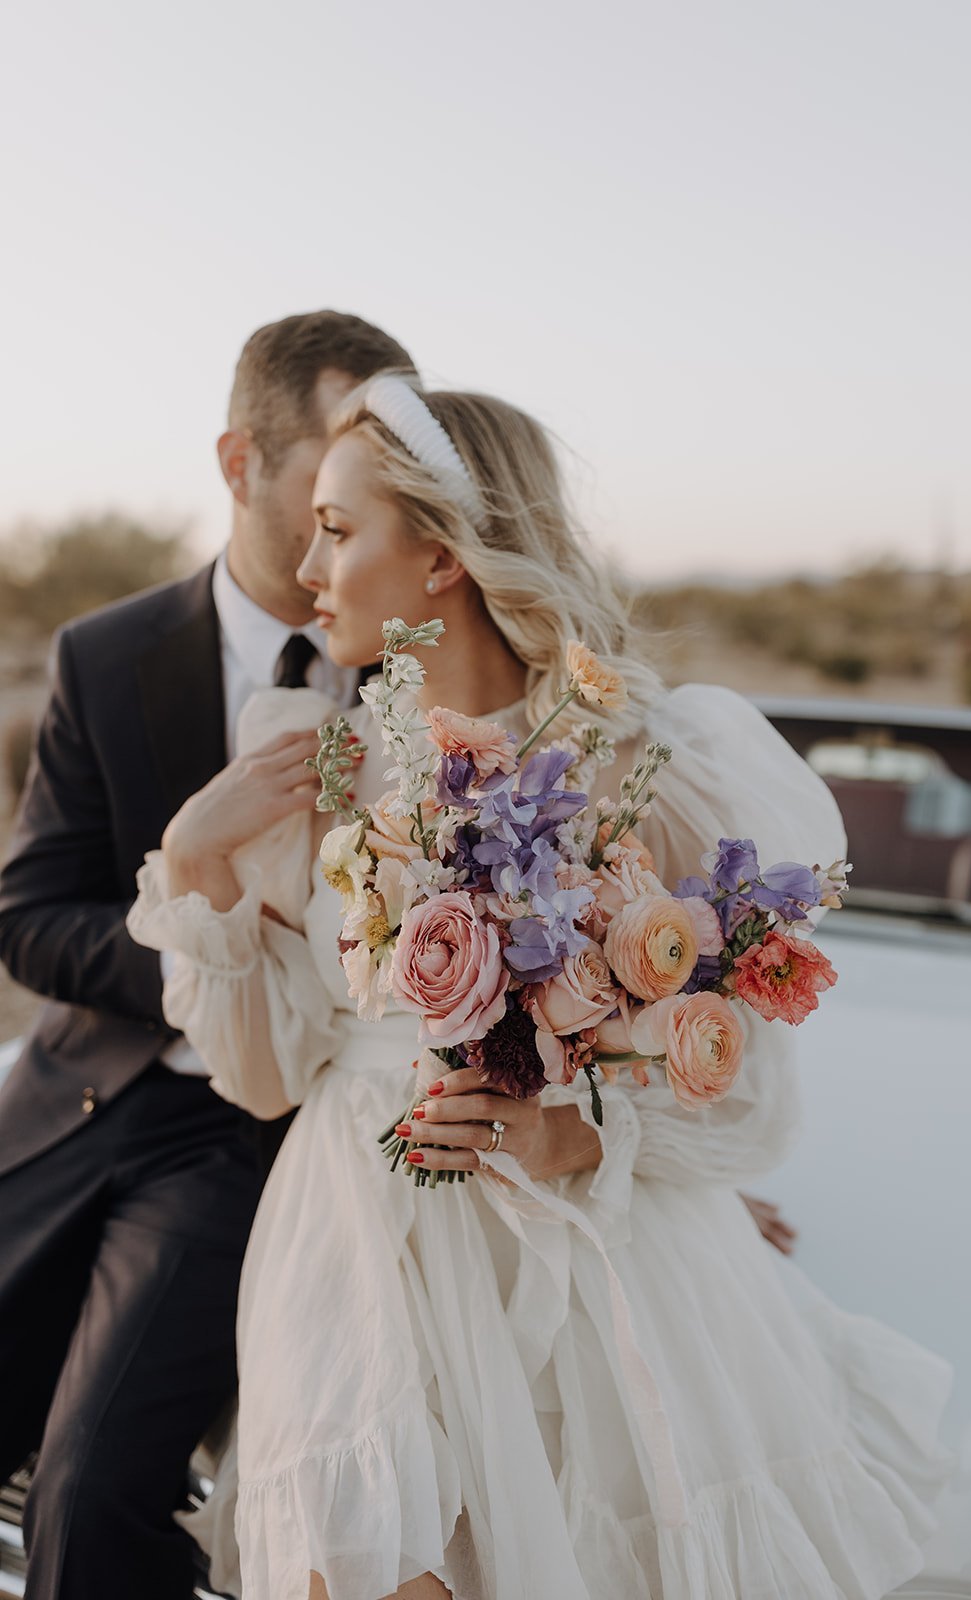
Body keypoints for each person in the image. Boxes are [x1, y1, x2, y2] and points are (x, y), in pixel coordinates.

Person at [129, 374, 952, 1600]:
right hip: (355, 1240)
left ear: (442, 560)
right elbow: (260, 1077)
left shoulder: (642, 766)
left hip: (585, 1260)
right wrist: (196, 860)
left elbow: (746, 1100)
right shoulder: (308, 759)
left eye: (340, 529)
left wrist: (569, 1132)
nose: (307, 564)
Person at [0, 311, 414, 1600]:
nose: (360, 516)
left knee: (95, 1490)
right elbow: (28, 914)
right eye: (330, 483)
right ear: (240, 463)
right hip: (80, 1097)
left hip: (265, 1139)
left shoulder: (424, 669)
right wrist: (200, 939)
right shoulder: (106, 653)